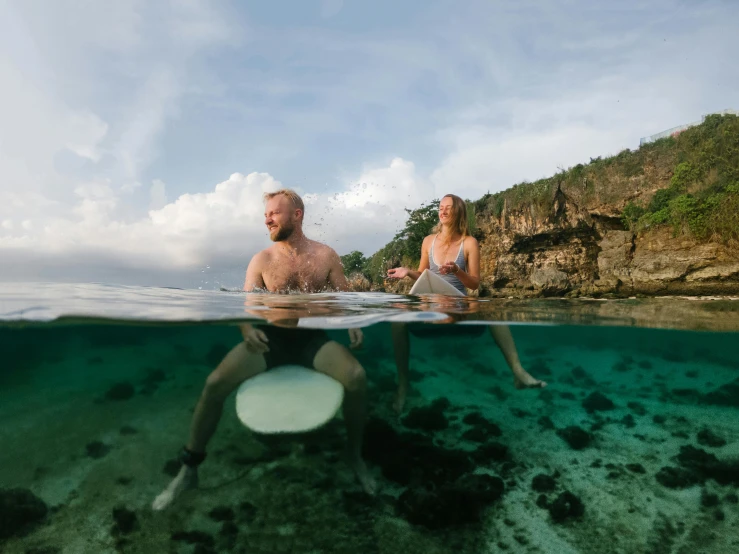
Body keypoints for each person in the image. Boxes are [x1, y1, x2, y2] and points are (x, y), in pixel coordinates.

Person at [152, 189, 376, 511]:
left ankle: (354, 456)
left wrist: (353, 322)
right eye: (265, 215)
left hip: (311, 340)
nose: (267, 219)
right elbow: (247, 306)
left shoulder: (326, 256)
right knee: (214, 384)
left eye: (273, 213)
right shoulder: (262, 260)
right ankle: (189, 468)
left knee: (356, 376)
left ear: (296, 215)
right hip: (270, 342)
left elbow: (344, 301)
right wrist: (246, 329)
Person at [386, 193, 546, 414]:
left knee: (494, 311)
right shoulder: (427, 241)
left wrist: (456, 271)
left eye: (448, 208)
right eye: (441, 207)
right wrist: (407, 272)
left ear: (458, 212)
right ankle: (403, 385)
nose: (442, 211)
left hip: (459, 308)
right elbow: (423, 273)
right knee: (397, 319)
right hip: (431, 307)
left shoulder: (469, 243)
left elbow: (474, 282)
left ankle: (518, 372)